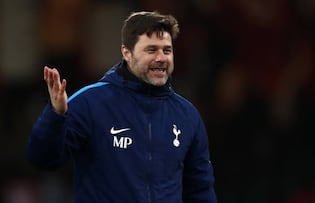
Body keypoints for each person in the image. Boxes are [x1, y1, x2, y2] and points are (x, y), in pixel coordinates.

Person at [27, 11, 217, 203]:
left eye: (167, 50)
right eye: (151, 50)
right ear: (127, 53)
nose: (161, 58)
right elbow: (42, 158)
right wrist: (56, 116)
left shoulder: (187, 115)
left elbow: (200, 190)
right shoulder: (91, 102)